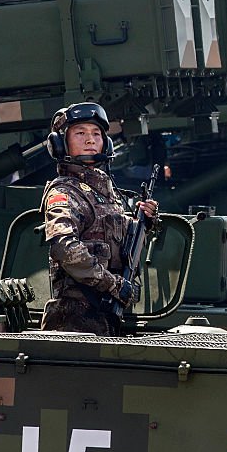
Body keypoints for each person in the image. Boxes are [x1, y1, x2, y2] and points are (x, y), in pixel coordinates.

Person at [41, 102, 157, 336]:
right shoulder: (64, 193)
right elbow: (65, 249)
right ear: (61, 144)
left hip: (108, 317)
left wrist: (145, 222)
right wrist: (113, 285)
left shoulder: (107, 194)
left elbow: (119, 245)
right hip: (73, 322)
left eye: (96, 134)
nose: (90, 139)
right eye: (80, 133)